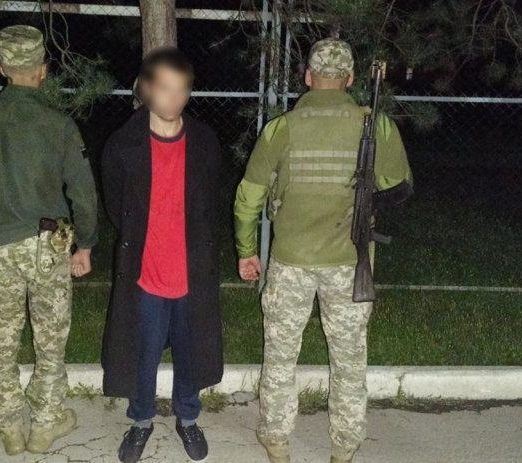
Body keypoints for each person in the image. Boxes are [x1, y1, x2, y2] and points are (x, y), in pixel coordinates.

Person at [233, 38, 413, 463]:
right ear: (349, 78)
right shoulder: (376, 126)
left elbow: (248, 197)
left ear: (308, 77)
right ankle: (344, 446)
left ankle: (277, 441)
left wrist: (246, 249)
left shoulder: (281, 128)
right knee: (349, 360)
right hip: (349, 262)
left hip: (290, 261)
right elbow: (400, 187)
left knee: (280, 356)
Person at [0, 25, 99, 456]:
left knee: (3, 337)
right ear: (43, 70)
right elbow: (83, 192)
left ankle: (10, 426)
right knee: (50, 338)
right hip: (49, 247)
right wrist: (86, 243)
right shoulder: (58, 124)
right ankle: (45, 425)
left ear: (1, 68)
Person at [99, 47, 223, 463]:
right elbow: (116, 206)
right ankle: (141, 421)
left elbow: (211, 202)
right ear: (147, 87)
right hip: (146, 274)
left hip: (192, 273)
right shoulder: (123, 143)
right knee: (142, 353)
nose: (175, 99)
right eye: (166, 88)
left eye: (183, 89)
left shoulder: (204, 141)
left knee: (191, 351)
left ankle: (188, 418)